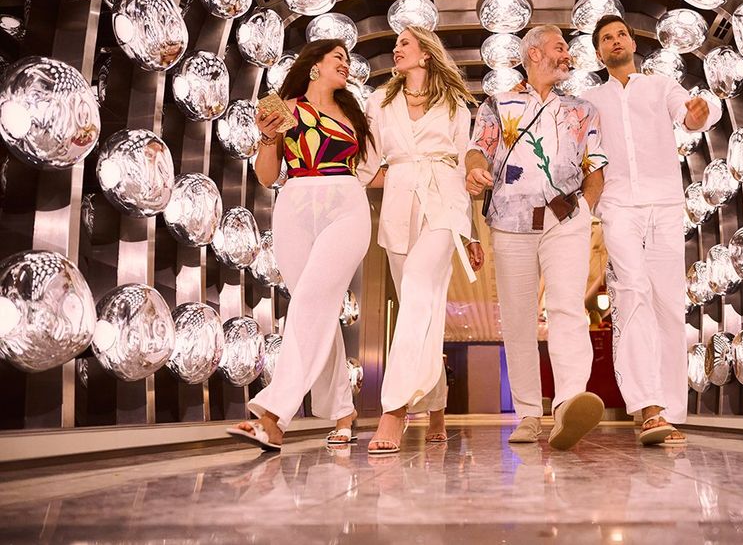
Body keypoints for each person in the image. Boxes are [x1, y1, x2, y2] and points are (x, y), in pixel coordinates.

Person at [226, 38, 375, 450]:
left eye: (347, 59)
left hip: (346, 205)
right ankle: (344, 411)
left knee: (310, 303)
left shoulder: (355, 114)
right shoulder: (280, 107)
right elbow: (266, 175)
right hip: (294, 205)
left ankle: (273, 416)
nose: (345, 64)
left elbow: (371, 169)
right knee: (317, 310)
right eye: (338, 57)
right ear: (314, 65)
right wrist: (266, 138)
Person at [465, 24, 608, 451]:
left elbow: (595, 166)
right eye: (559, 47)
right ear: (533, 54)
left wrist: (585, 212)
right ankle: (528, 414)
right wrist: (475, 170)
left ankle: (568, 404)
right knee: (518, 320)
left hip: (566, 220)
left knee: (567, 309)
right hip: (510, 224)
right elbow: (478, 148)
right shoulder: (498, 103)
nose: (567, 55)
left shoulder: (582, 110)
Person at [582, 15, 721, 446]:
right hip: (618, 205)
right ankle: (647, 407)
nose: (615, 41)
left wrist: (700, 114)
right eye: (606, 38)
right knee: (632, 293)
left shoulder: (661, 85)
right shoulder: (590, 99)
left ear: (631, 43)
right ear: (599, 53)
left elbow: (692, 113)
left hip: (665, 204)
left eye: (621, 34)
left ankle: (669, 411)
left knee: (668, 304)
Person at [358, 26, 484, 455]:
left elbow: (465, 165)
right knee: (420, 308)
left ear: (426, 53)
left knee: (415, 292)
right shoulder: (379, 101)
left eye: (404, 43)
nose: (396, 48)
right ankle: (437, 408)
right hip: (398, 206)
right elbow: (367, 163)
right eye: (395, 43)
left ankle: (393, 410)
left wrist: (471, 234)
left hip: (445, 206)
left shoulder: (454, 105)